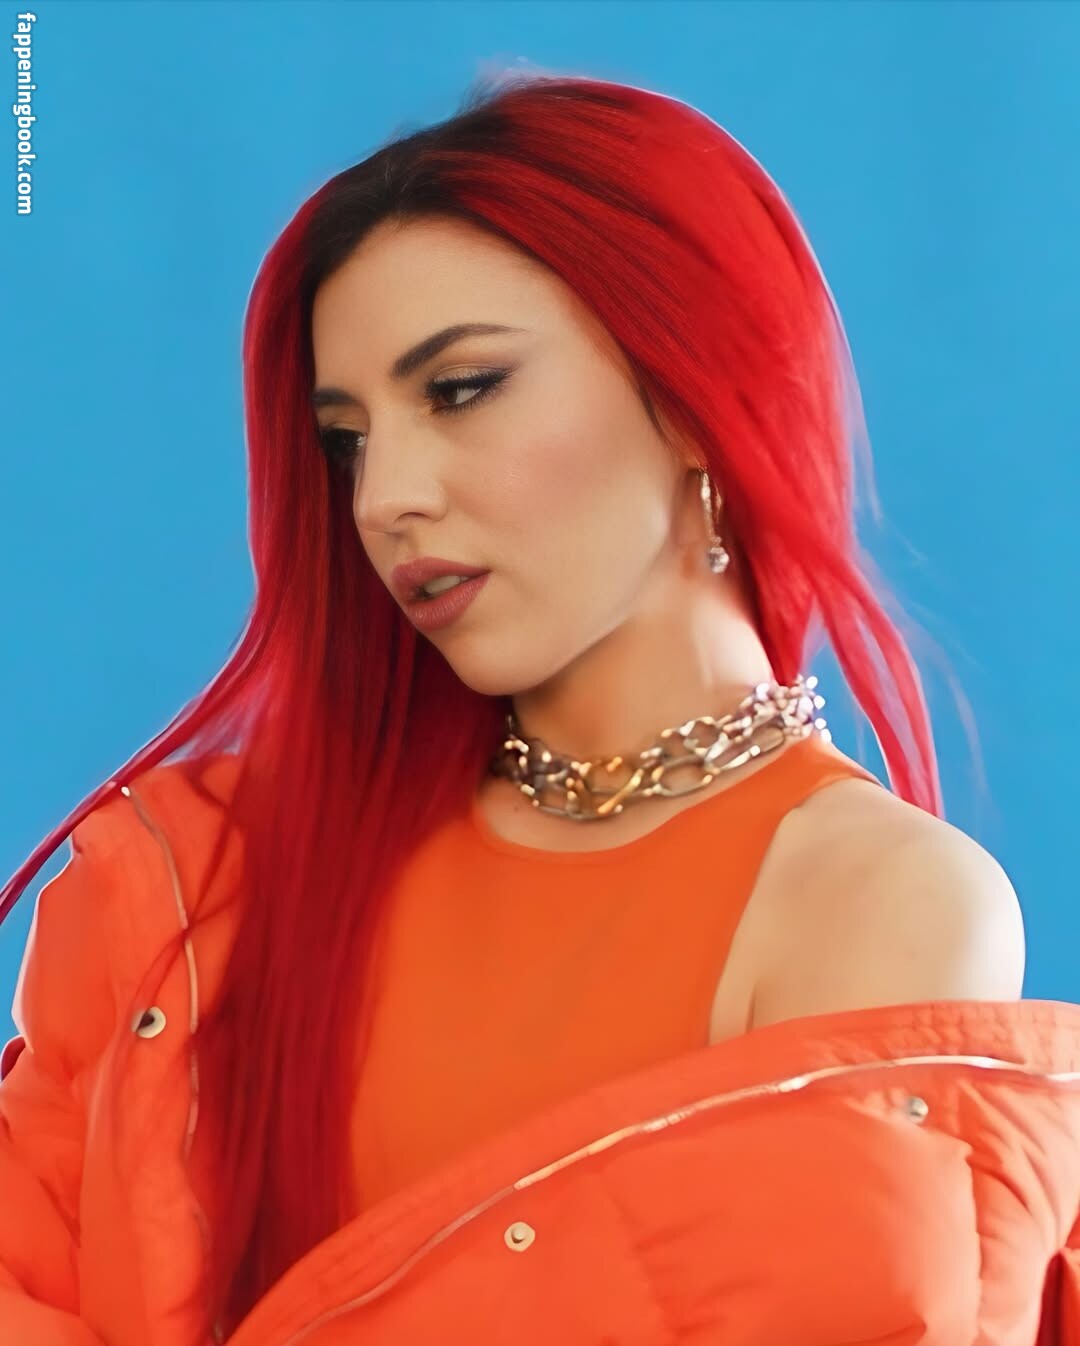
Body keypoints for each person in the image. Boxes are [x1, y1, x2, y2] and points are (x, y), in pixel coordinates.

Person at [1, 69, 1078, 1346]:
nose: (384, 497)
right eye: (346, 439)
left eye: (461, 389)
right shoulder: (197, 883)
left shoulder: (874, 902)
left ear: (693, 390)